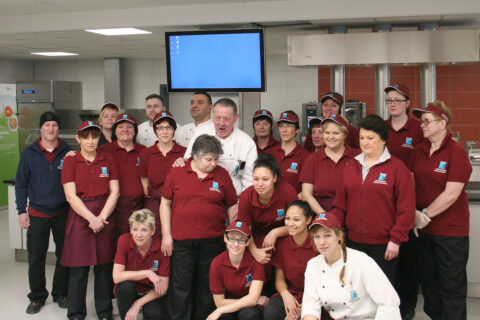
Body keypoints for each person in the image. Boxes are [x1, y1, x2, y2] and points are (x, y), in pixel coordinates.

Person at [329, 114, 415, 283]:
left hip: (384, 245)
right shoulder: (351, 165)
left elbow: (406, 209)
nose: (365, 142)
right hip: (353, 242)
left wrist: (396, 239)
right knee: (355, 290)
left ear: (383, 140)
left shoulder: (397, 169)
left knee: (380, 293)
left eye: (370, 138)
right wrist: (337, 233)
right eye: (361, 138)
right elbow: (339, 205)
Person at [160, 134, 238, 320]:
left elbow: (232, 205)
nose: (213, 163)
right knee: (181, 286)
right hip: (182, 241)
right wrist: (166, 235)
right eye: (209, 159)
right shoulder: (177, 172)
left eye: (216, 159)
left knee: (208, 285)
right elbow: (165, 203)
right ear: (195, 156)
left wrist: (233, 234)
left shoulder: (221, 174)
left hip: (213, 241)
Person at [409, 101, 472, 320]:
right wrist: (414, 214)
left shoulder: (456, 152)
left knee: (451, 286)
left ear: (443, 122)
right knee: (430, 285)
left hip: (450, 233)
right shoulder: (418, 151)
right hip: (423, 231)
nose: (423, 126)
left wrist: (423, 214)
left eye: (427, 121)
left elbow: (451, 194)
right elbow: (411, 184)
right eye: (421, 122)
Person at [61, 121, 120, 320]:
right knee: (79, 268)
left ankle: (104, 312)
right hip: (81, 217)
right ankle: (76, 313)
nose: (90, 141)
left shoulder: (108, 158)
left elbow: (115, 191)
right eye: (85, 137)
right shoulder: (70, 161)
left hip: (105, 215)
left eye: (94, 136)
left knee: (104, 268)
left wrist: (101, 218)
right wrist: (91, 219)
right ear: (78, 138)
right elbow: (70, 196)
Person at [15, 111, 71, 314]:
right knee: (36, 258)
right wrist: (22, 211)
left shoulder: (68, 151)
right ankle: (37, 297)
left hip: (63, 213)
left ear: (58, 129)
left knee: (64, 256)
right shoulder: (29, 153)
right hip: (37, 213)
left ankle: (60, 293)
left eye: (54, 125)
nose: (51, 129)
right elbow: (21, 184)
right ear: (41, 128)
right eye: (47, 125)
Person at [302, 212, 401, 320]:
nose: (321, 242)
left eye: (328, 235)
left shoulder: (361, 260)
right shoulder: (313, 265)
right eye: (317, 237)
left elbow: (389, 302)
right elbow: (310, 305)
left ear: (339, 236)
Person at [384, 84, 423, 320]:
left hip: (409, 203)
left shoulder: (418, 129)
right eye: (389, 100)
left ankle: (407, 307)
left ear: (408, 102)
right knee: (389, 259)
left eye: (398, 100)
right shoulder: (382, 128)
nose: (393, 103)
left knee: (409, 260)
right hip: (384, 202)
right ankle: (389, 306)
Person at [183, 98, 258, 197]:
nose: (221, 123)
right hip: (199, 194)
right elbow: (188, 161)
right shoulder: (201, 132)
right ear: (213, 116)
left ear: (236, 118)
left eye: (227, 119)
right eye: (218, 118)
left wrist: (241, 204)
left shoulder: (246, 143)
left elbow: (249, 180)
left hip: (233, 197)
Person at [237, 154, 298, 265]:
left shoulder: (287, 191)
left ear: (274, 178)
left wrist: (275, 233)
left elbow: (298, 224)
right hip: (255, 238)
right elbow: (245, 229)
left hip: (286, 234)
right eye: (256, 179)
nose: (260, 184)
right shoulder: (246, 196)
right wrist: (254, 251)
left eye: (265, 179)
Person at [263, 200, 317, 320]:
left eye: (296, 220)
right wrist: (286, 295)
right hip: (292, 292)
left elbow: (325, 283)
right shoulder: (282, 243)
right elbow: (279, 279)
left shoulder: (318, 243)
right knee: (271, 312)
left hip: (316, 295)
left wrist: (305, 306)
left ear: (308, 220)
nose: (290, 223)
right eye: (288, 218)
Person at [113, 209, 170, 320]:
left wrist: (137, 304)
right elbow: (116, 277)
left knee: (155, 313)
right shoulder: (124, 240)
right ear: (130, 229)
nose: (138, 235)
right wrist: (147, 273)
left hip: (151, 292)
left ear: (152, 231)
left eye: (144, 230)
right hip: (130, 290)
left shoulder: (161, 247)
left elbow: (163, 288)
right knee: (126, 287)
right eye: (135, 229)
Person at [207, 221, 268, 320]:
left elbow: (252, 299)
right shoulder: (216, 263)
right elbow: (219, 302)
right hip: (230, 301)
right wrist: (253, 300)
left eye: (241, 240)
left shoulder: (256, 262)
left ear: (248, 242)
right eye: (232, 238)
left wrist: (219, 310)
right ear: (225, 238)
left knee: (249, 315)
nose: (236, 244)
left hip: (250, 307)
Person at [301, 115, 360, 214]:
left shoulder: (358, 156)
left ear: (345, 135)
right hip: (320, 214)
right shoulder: (313, 159)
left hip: (353, 213)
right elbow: (306, 194)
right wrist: (324, 216)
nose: (331, 137)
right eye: (327, 133)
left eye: (336, 133)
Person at [99, 113, 146, 239]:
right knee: (116, 245)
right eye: (121, 126)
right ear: (114, 131)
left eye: (129, 127)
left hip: (139, 207)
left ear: (135, 131)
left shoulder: (144, 151)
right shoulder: (104, 150)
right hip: (113, 208)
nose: (125, 130)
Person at [139, 111, 186, 237]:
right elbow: (144, 179)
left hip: (178, 203)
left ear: (174, 130)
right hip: (154, 203)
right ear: (155, 131)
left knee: (177, 236)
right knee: (154, 237)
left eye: (168, 128)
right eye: (160, 128)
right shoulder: (146, 154)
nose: (164, 132)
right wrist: (150, 195)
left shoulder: (184, 153)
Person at [270, 110, 310, 195]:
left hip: (294, 205)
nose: (284, 130)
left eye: (288, 126)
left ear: (297, 130)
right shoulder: (270, 153)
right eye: (281, 126)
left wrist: (293, 203)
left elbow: (307, 189)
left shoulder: (306, 156)